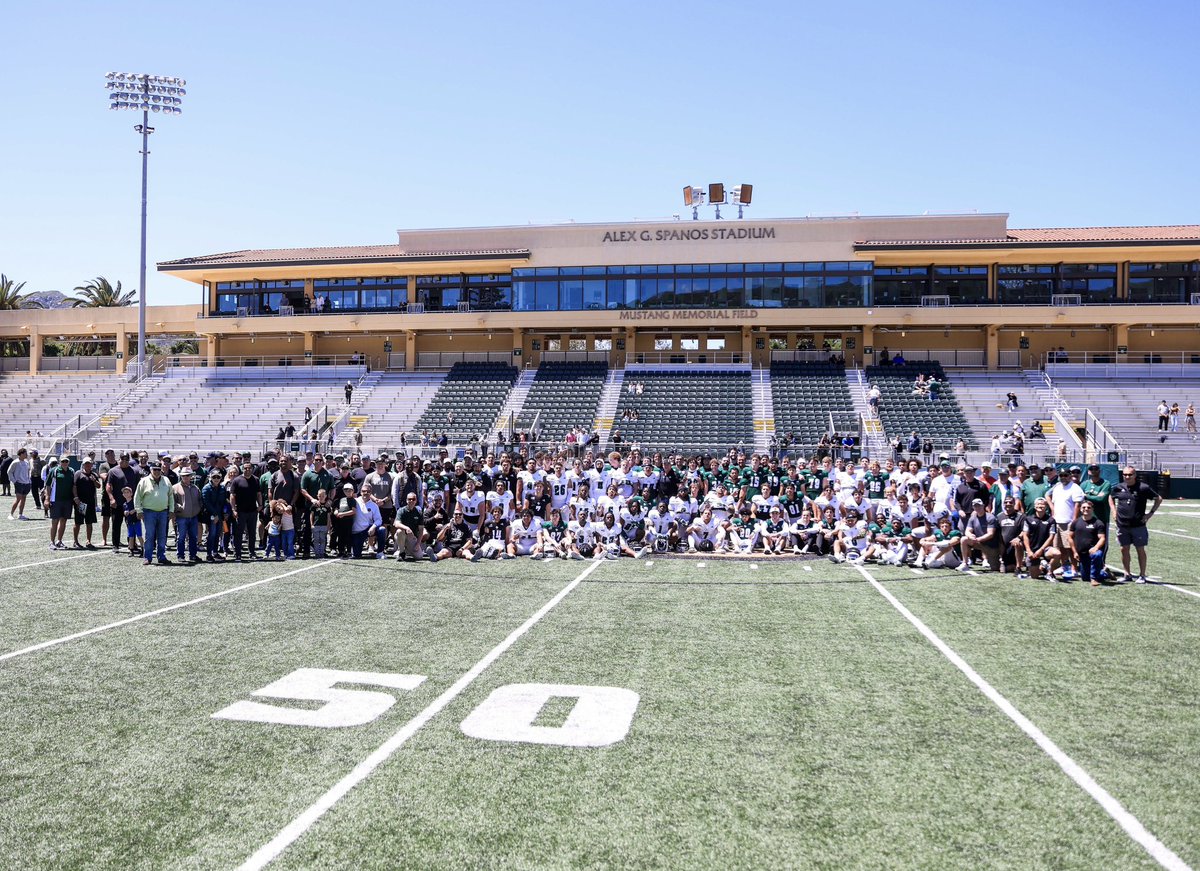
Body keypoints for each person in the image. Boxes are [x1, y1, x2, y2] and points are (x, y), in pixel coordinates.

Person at [1109, 467, 1162, 584]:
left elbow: (1158, 498)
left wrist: (1150, 514)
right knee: (1124, 549)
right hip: (1122, 524)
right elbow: (1111, 497)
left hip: (1138, 525)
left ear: (1135, 475)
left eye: (1130, 474)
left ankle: (1142, 575)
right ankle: (1127, 574)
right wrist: (1113, 510)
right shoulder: (1119, 487)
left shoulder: (1143, 487)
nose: (1127, 477)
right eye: (1125, 474)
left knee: (1140, 549)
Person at [134, 462, 175, 566]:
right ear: (150, 470)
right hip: (149, 512)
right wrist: (139, 510)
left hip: (163, 512)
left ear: (161, 469)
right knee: (149, 535)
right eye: (154, 469)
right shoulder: (144, 481)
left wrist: (171, 510)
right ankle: (147, 557)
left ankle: (161, 556)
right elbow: (137, 497)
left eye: (158, 469)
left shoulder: (166, 480)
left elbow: (170, 496)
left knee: (162, 536)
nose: (156, 471)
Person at [1070, 501, 1108, 587]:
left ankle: (1094, 579)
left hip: (1093, 552)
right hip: (1082, 554)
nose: (1086, 509)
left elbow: (1102, 538)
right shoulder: (1075, 522)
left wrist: (1096, 548)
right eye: (1084, 507)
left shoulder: (1098, 523)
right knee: (1085, 578)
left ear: (1092, 509)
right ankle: (1104, 573)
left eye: (1088, 507)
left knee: (1097, 555)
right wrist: (1074, 552)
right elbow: (1069, 537)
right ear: (1080, 509)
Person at [172, 468, 202, 564]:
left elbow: (200, 500)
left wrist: (198, 509)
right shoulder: (175, 487)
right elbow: (172, 502)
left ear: (191, 476)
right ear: (181, 476)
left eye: (188, 475)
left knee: (193, 537)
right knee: (181, 537)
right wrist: (179, 508)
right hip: (181, 516)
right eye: (184, 475)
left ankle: (193, 555)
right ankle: (181, 555)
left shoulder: (195, 488)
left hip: (193, 516)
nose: (186, 477)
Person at [46, 457, 75, 550]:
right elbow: (48, 485)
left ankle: (59, 541)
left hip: (68, 500)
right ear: (60, 462)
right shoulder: (54, 471)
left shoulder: (71, 471)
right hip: (56, 500)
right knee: (55, 521)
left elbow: (74, 485)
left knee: (63, 521)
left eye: (66, 461)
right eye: (63, 461)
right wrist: (47, 498)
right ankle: (52, 542)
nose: (65, 463)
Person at [71, 458, 100, 549]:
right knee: (78, 522)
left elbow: (98, 486)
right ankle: (75, 541)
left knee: (89, 522)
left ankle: (88, 541)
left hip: (90, 502)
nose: (88, 465)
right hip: (81, 503)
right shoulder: (78, 473)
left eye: (89, 464)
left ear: (92, 465)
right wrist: (76, 498)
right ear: (83, 465)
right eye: (86, 464)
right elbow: (74, 486)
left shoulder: (94, 474)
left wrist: (94, 480)